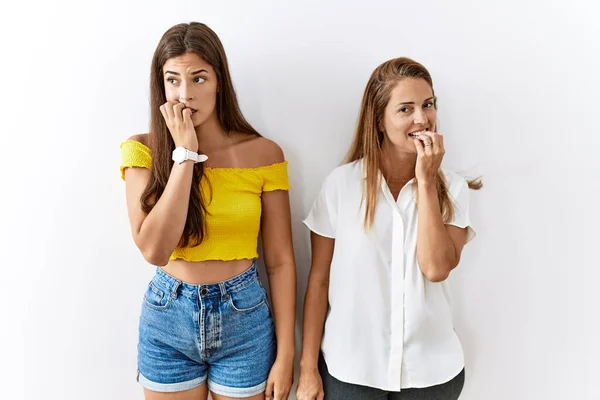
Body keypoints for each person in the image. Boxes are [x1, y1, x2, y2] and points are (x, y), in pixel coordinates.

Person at [120, 22, 296, 400]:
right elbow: (154, 250)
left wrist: (287, 352)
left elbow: (280, 261)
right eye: (173, 80)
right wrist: (184, 155)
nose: (185, 94)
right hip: (168, 318)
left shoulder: (264, 154)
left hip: (244, 318)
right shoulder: (142, 151)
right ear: (160, 86)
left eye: (198, 78)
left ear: (219, 81)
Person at [296, 57, 481, 400]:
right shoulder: (341, 185)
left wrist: (426, 181)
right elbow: (319, 280)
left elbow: (436, 268)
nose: (421, 118)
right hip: (351, 372)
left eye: (428, 105)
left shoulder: (452, 189)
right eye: (405, 109)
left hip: (430, 376)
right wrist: (307, 369)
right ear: (379, 120)